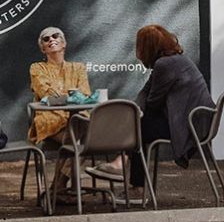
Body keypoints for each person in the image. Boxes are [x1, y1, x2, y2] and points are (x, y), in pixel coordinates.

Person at [99, 25, 213, 195]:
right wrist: (136, 108)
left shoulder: (165, 64)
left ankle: (127, 171)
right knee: (137, 123)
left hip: (190, 127)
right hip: (196, 122)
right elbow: (146, 91)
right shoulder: (176, 59)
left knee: (137, 128)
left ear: (147, 47)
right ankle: (125, 168)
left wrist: (136, 112)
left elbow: (153, 102)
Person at [28, 26, 91, 146]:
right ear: (43, 49)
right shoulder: (37, 68)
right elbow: (46, 94)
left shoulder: (78, 68)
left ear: (63, 43)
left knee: (83, 123)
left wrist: (63, 97)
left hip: (78, 118)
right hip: (51, 118)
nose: (51, 39)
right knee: (78, 136)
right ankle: (74, 158)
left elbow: (85, 95)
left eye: (55, 36)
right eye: (46, 39)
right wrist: (72, 97)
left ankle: (68, 161)